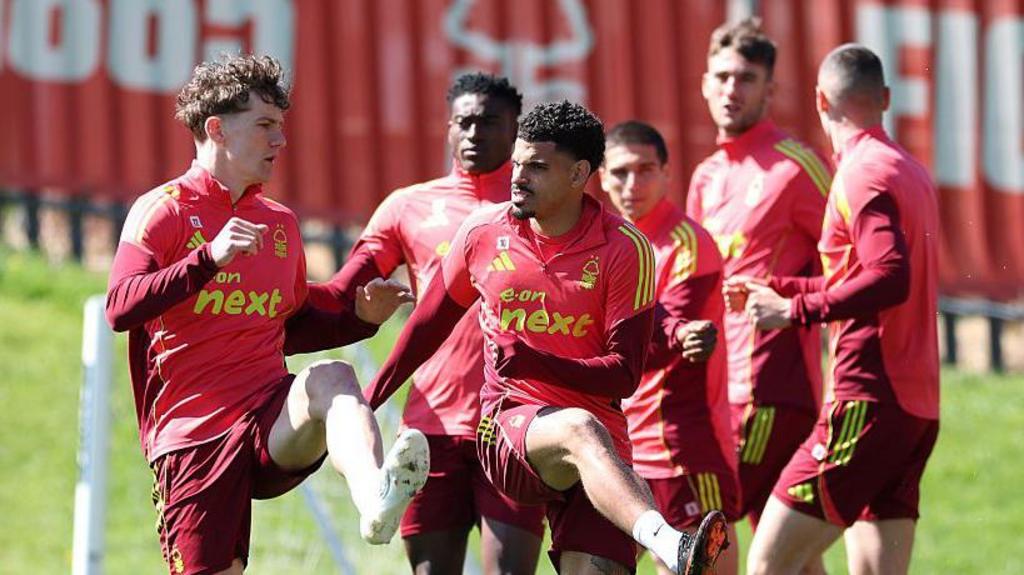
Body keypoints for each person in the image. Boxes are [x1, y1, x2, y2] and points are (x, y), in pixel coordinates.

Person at [365, 101, 729, 575]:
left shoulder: (626, 248)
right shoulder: (481, 233)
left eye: (537, 167)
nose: (518, 177)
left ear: (579, 174)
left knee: (588, 457)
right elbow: (426, 327)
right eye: (518, 163)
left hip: (602, 450)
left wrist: (536, 361)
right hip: (509, 426)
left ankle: (663, 542)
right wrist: (367, 401)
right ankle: (672, 546)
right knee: (578, 427)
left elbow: (623, 375)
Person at [105, 54, 428, 575]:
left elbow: (290, 326)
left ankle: (375, 498)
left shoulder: (279, 224)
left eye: (281, 126)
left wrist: (361, 318)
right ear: (217, 129)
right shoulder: (161, 210)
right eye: (265, 126)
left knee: (334, 378)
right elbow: (121, 307)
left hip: (268, 418)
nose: (280, 141)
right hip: (194, 438)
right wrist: (207, 259)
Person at [304, 72, 544, 574]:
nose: (475, 133)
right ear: (448, 129)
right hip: (429, 429)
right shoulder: (407, 206)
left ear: (515, 129)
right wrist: (277, 295)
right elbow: (342, 289)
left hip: (513, 423)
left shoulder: (543, 206)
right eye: (464, 122)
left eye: (489, 122)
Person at [741, 43, 940, 575]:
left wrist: (796, 310)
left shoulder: (861, 173)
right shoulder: (910, 169)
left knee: (768, 562)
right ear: (887, 99)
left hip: (867, 400)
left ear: (820, 100)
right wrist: (782, 287)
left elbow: (888, 276)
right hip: (916, 409)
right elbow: (864, 272)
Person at [685, 17, 831, 544]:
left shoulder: (796, 168)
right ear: (704, 83)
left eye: (746, 78)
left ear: (771, 91)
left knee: (698, 521)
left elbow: (852, 265)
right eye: (722, 76)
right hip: (721, 387)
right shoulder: (706, 176)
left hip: (772, 390)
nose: (731, 89)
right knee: (781, 548)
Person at [600, 121, 741, 575]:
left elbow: (657, 342)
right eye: (620, 173)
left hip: (682, 446)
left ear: (666, 173)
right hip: (619, 446)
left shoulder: (688, 244)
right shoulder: (604, 243)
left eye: (645, 170)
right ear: (601, 177)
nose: (632, 184)